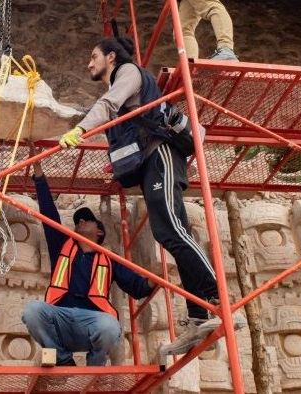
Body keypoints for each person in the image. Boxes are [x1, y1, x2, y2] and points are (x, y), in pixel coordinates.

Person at [57, 37, 244, 356]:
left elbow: (107, 105)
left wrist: (80, 129)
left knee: (171, 230)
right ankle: (198, 317)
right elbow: (128, 134)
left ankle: (218, 300)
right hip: (148, 163)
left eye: (93, 56)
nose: (89, 63)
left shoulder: (127, 72)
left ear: (111, 56)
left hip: (162, 156)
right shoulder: (122, 85)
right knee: (168, 233)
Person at [21, 142, 155, 367]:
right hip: (60, 317)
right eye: (77, 221)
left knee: (110, 326)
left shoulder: (108, 259)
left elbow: (137, 287)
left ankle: (95, 368)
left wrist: (156, 278)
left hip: (92, 323)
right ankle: (64, 361)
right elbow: (48, 212)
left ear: (100, 231)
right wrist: (38, 169)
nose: (79, 222)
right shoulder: (62, 246)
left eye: (86, 220)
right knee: (32, 311)